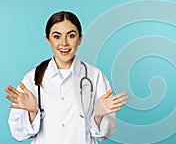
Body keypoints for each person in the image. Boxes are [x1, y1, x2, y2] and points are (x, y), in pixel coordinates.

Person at [4, 11, 129, 144]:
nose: (64, 43)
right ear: (48, 39)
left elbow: (104, 135)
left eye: (71, 36)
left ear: (80, 38)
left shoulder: (95, 76)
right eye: (57, 36)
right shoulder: (32, 78)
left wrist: (98, 115)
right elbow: (18, 134)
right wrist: (32, 113)